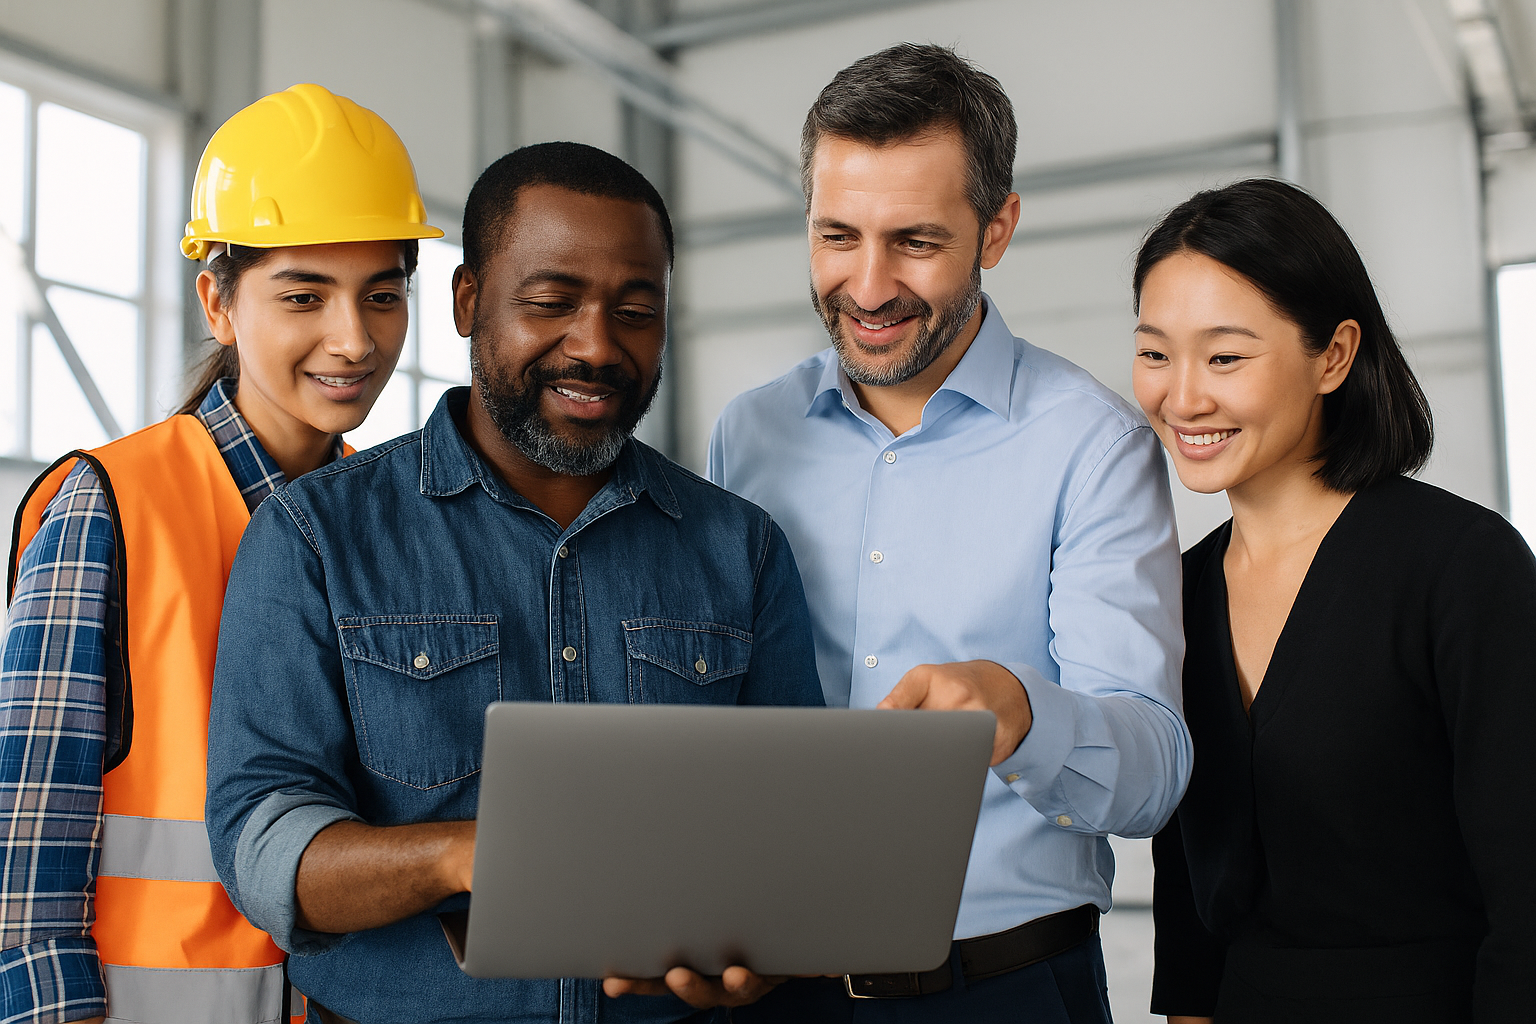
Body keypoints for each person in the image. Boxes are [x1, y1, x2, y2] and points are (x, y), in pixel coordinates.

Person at [201, 141, 824, 1024]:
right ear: (468, 301)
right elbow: (264, 848)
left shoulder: (741, 547)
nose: (597, 346)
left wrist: (768, 948)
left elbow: (787, 839)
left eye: (635, 312)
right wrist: (460, 857)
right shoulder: (315, 537)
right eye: (551, 303)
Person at [707, 43, 1191, 1023]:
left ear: (996, 229)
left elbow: (1151, 776)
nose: (868, 285)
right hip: (771, 993)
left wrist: (1022, 713)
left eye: (915, 241)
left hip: (1004, 989)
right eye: (837, 236)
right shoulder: (748, 434)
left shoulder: (1091, 445)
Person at [1, 83, 441, 1024]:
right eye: (304, 296)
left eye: (382, 295)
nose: (354, 340)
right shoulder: (112, 505)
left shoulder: (394, 524)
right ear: (220, 302)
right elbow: (29, 837)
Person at [1136, 178, 1536, 1024]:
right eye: (1155, 354)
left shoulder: (1462, 566)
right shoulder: (1175, 591)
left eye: (1225, 357)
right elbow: (1188, 894)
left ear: (1334, 355)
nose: (1183, 397)